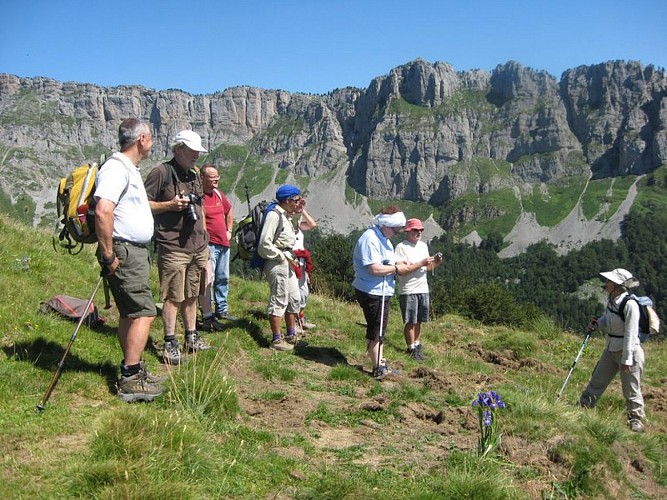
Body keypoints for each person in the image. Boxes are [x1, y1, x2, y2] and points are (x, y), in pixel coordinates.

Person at [94, 118, 164, 402]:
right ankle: (131, 377)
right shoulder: (116, 168)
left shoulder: (128, 169)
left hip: (131, 250)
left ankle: (131, 368)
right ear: (141, 140)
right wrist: (109, 254)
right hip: (124, 250)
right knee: (145, 312)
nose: (152, 142)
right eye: (151, 137)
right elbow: (103, 210)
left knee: (130, 313)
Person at [144, 130, 211, 365]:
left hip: (197, 246)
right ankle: (170, 342)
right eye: (192, 151)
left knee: (193, 293)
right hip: (173, 246)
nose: (196, 155)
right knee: (173, 296)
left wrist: (206, 241)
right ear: (178, 149)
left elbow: (200, 209)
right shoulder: (161, 173)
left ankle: (191, 336)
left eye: (198, 152)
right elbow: (143, 204)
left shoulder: (193, 175)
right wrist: (170, 205)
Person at [579, 268, 646, 433]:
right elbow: (607, 317)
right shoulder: (612, 300)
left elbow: (631, 332)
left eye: (609, 281)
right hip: (611, 348)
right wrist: (597, 324)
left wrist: (627, 359)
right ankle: (584, 405)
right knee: (598, 379)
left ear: (617, 285)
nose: (606, 283)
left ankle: (636, 419)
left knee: (631, 387)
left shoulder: (630, 304)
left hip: (628, 351)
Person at [352, 205, 407, 378]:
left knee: (378, 329)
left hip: (380, 290)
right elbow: (374, 269)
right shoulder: (371, 239)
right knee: (377, 330)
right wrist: (395, 268)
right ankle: (377, 368)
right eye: (395, 229)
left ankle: (379, 361)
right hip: (372, 291)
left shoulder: (382, 237)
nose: (397, 232)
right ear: (386, 225)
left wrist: (395, 264)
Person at [257, 184, 303, 351]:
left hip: (286, 260)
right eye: (296, 200)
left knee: (294, 297)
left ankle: (291, 335)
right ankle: (276, 339)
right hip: (277, 262)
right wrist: (281, 256)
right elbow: (264, 244)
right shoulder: (274, 215)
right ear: (287, 200)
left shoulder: (285, 215)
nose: (298, 203)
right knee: (279, 297)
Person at [394, 218, 442, 361]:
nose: (419, 232)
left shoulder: (423, 246)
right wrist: (421, 262)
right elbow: (401, 271)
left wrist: (437, 263)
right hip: (409, 290)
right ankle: (410, 348)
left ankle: (417, 345)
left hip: (423, 288)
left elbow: (427, 268)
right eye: (416, 230)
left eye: (421, 230)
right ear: (408, 231)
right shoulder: (401, 247)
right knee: (410, 321)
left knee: (419, 320)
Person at [197, 164, 235, 332]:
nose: (216, 179)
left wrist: (229, 230)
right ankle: (207, 311)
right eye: (212, 177)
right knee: (208, 279)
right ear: (202, 178)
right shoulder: (199, 197)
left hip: (223, 242)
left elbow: (229, 211)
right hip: (209, 244)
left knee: (223, 277)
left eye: (217, 176)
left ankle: (222, 309)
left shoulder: (219, 194)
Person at [292, 199, 317, 330]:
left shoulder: (299, 226)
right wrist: (296, 211)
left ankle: (301, 317)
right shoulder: (287, 223)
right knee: (294, 292)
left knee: (304, 291)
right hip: (292, 261)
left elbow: (313, 225)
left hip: (301, 262)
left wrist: (303, 211)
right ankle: (295, 321)